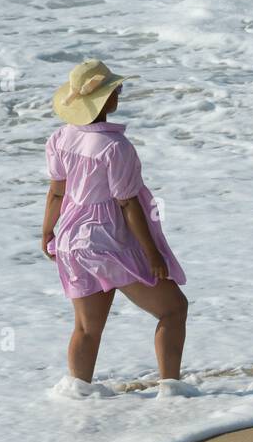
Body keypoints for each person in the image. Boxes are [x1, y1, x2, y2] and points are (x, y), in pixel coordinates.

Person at [41, 59, 196, 399]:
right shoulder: (115, 148)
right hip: (106, 240)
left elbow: (56, 191)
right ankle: (171, 391)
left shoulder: (60, 138)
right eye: (116, 89)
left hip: (70, 241)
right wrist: (152, 254)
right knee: (173, 309)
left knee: (86, 327)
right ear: (107, 100)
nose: (120, 93)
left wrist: (47, 233)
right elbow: (128, 204)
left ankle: (75, 397)